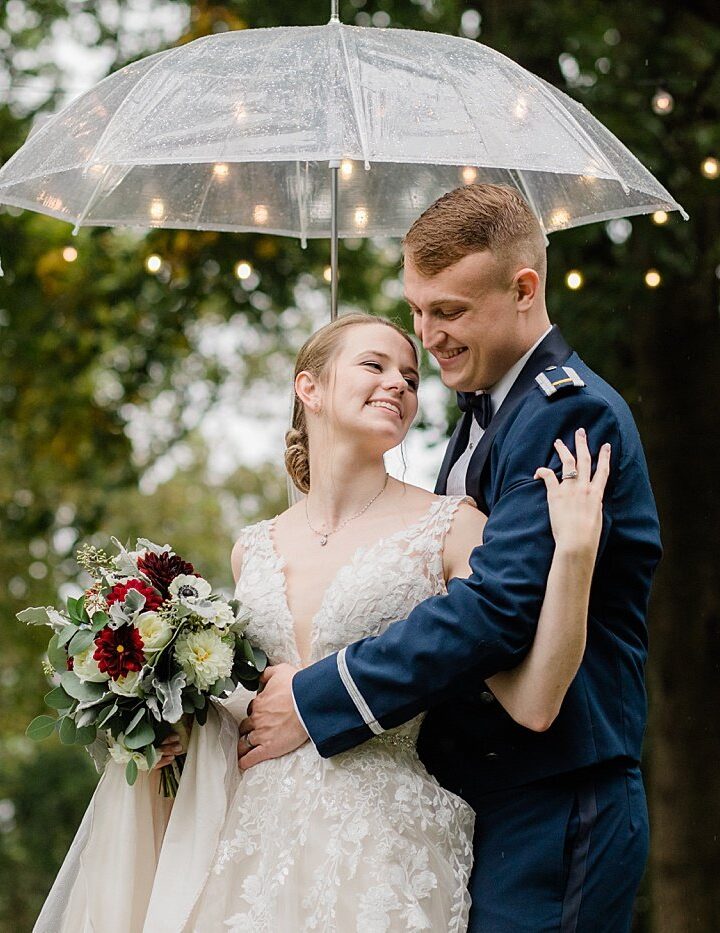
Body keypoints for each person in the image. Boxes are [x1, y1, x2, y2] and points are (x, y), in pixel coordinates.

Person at [35, 311, 608, 933]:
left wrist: (575, 556)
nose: (399, 384)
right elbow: (249, 708)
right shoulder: (251, 548)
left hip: (385, 851)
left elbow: (533, 701)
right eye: (374, 365)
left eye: (411, 378)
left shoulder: (452, 528)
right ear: (308, 389)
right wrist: (175, 729)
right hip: (246, 849)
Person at [236, 185, 662, 932]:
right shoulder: (481, 423)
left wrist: (318, 694)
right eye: (416, 309)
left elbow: (497, 611)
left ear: (524, 289)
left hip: (557, 794)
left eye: (450, 311)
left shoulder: (568, 412)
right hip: (479, 798)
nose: (426, 337)